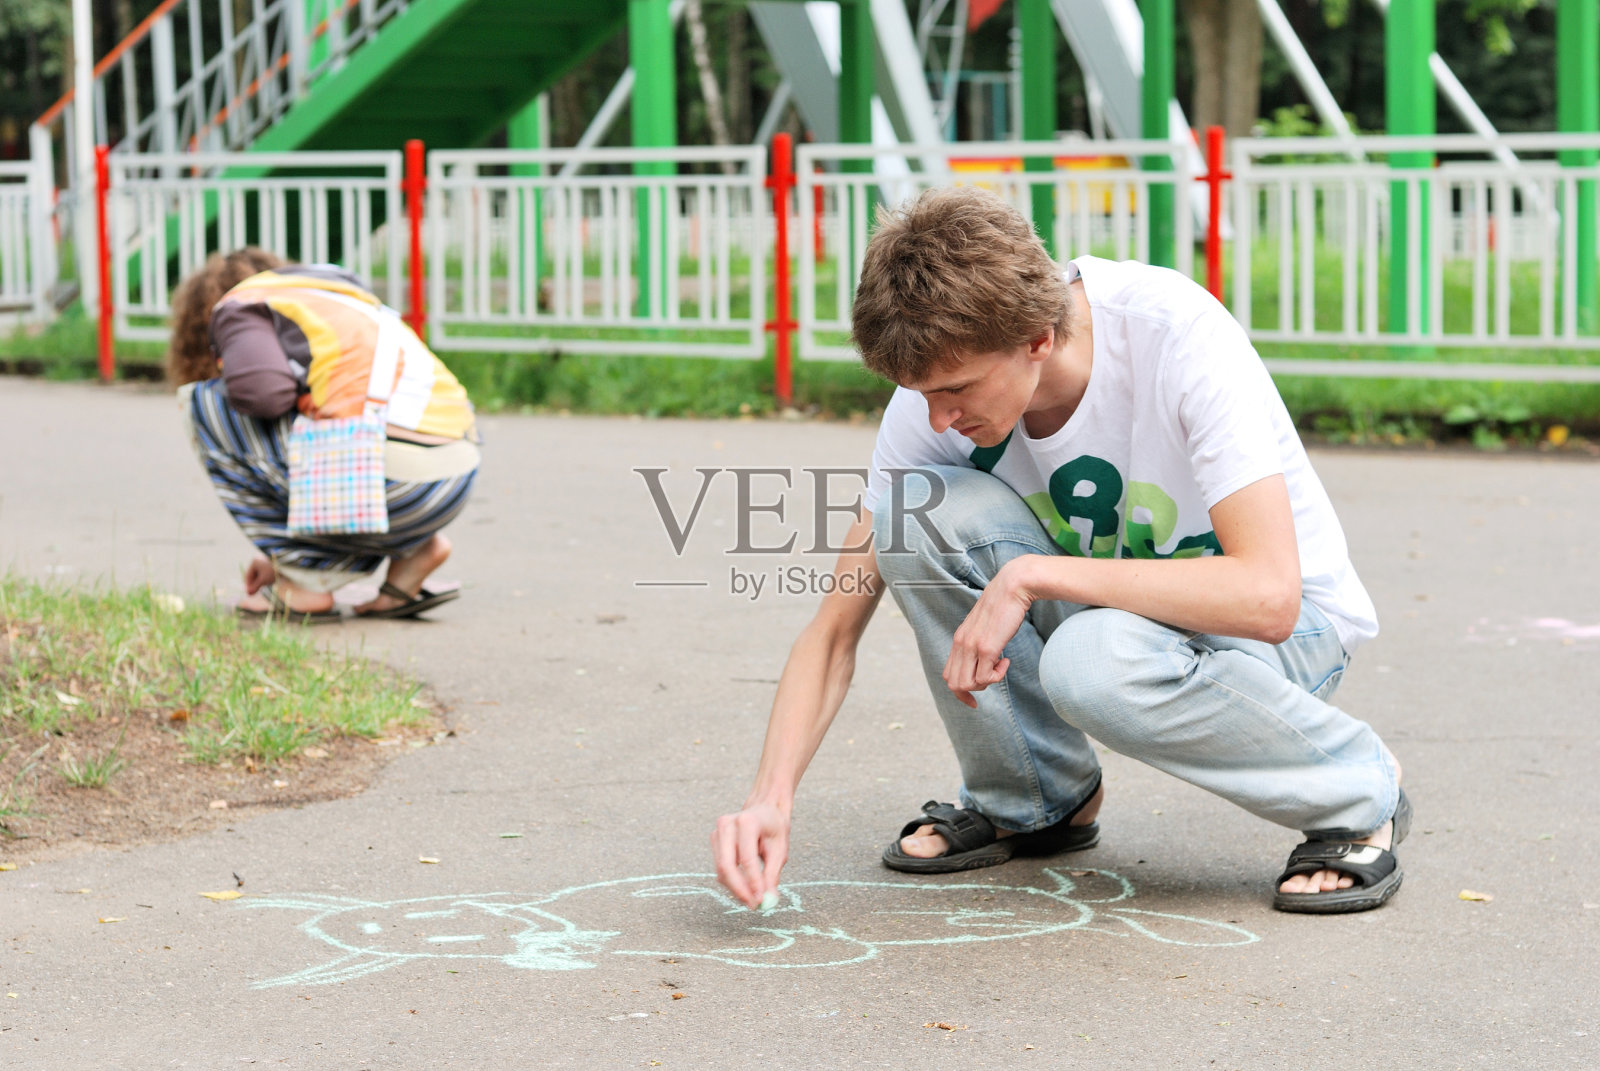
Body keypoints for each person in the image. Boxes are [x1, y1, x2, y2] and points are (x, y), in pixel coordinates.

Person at [711, 186, 1408, 915]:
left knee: (1093, 658)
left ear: (1039, 338)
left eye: (954, 389)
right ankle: (1036, 799)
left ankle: (1359, 790)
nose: (937, 416)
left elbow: (1269, 597)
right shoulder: (936, 397)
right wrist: (770, 798)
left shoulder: (1176, 334)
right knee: (912, 517)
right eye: (918, 392)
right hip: (1116, 615)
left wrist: (1031, 575)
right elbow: (832, 632)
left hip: (1288, 632)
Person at [167, 249, 480, 622]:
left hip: (394, 483)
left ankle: (304, 585)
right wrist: (277, 557)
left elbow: (263, 394)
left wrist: (292, 557)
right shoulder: (334, 293)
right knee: (327, 417)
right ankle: (411, 557)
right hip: (452, 478)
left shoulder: (241, 305)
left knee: (207, 404)